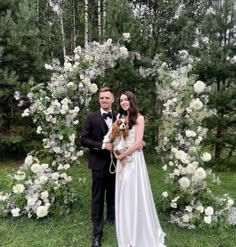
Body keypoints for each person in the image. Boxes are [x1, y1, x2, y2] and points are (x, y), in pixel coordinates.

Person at [114, 91, 166, 247]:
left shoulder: (139, 118)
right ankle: (127, 228)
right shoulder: (120, 118)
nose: (123, 102)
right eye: (121, 100)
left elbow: (138, 143)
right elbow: (117, 138)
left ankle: (139, 228)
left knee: (133, 191)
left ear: (131, 100)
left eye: (126, 99)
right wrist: (117, 151)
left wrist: (122, 154)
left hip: (133, 160)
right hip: (122, 159)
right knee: (124, 192)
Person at [80, 87, 116, 247]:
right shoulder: (91, 117)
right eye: (101, 98)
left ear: (113, 100)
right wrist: (102, 145)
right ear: (99, 100)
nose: (104, 100)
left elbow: (126, 136)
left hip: (117, 164)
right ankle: (97, 234)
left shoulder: (119, 117)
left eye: (107, 98)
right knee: (97, 198)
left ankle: (112, 218)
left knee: (113, 194)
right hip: (98, 165)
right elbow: (83, 140)